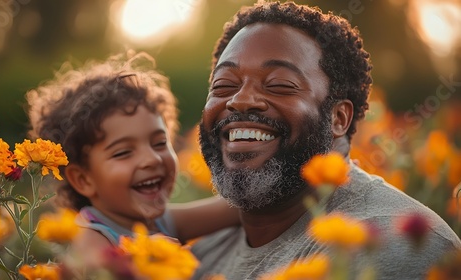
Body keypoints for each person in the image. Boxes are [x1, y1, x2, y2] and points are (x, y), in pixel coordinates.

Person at [192, 2, 461, 279]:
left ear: (339, 118)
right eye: (224, 85)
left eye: (279, 84)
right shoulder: (201, 256)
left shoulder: (391, 245)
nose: (240, 100)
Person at [25, 51, 238, 268]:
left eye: (159, 143)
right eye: (123, 152)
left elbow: (236, 209)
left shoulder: (162, 222)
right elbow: (90, 267)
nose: (152, 159)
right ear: (83, 180)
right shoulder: (89, 237)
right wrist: (143, 261)